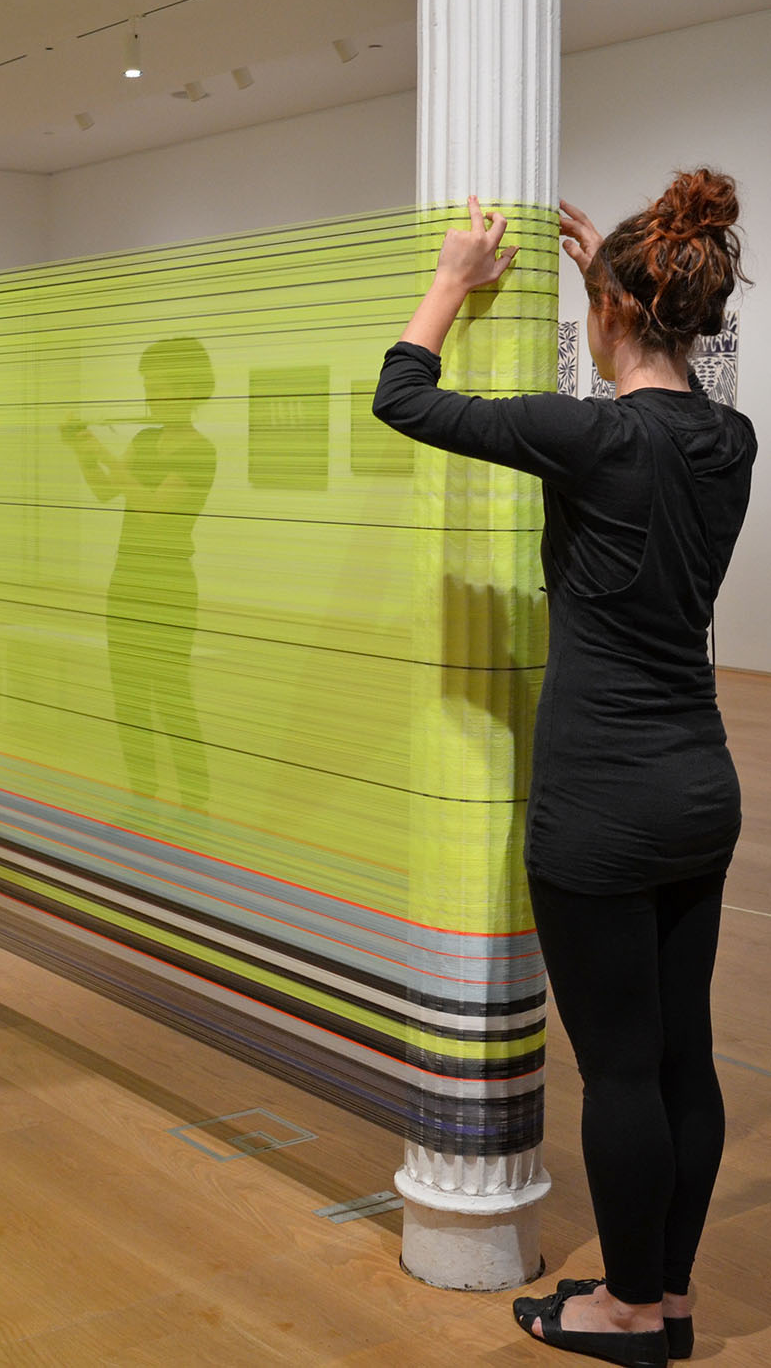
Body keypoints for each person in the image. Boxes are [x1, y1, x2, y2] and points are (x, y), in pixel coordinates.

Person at [372, 173, 754, 1368]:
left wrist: (449, 281)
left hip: (600, 802)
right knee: (682, 1054)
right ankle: (671, 1294)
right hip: (702, 788)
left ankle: (627, 1313)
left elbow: (405, 395)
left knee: (622, 1072)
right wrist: (610, 287)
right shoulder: (729, 438)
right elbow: (644, 424)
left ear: (609, 312)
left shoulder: (588, 435)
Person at [62, 337, 217, 813]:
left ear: (189, 390)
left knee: (170, 691)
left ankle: (193, 798)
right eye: (149, 387)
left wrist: (105, 452)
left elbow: (152, 507)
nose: (151, 397)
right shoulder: (144, 440)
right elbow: (107, 491)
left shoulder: (199, 450)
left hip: (168, 583)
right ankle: (143, 792)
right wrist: (85, 449)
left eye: (160, 387)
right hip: (127, 578)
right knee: (128, 691)